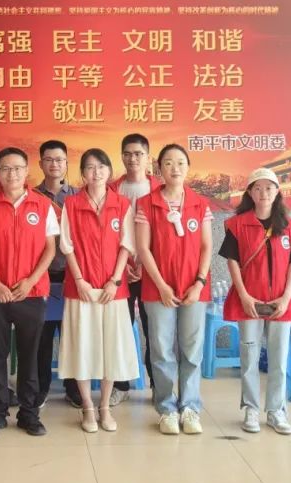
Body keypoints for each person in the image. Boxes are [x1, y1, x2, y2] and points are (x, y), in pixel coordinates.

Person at [0, 147, 57, 437]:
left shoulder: (42, 205)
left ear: (27, 170)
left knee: (31, 353)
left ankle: (29, 413)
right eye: (6, 168)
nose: (12, 174)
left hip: (32, 292)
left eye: (18, 168)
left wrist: (31, 281)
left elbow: (50, 249)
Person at [222, 167, 291, 436]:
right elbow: (232, 262)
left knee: (279, 358)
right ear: (249, 192)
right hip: (250, 301)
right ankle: (250, 408)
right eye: (257, 188)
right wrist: (244, 295)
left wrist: (286, 297)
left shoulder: (290, 227)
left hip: (282, 302)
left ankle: (275, 410)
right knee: (249, 357)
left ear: (277, 191)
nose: (263, 193)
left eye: (269, 188)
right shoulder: (237, 225)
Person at [58, 149, 139, 433]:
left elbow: (127, 244)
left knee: (110, 349)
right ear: (82, 174)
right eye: (90, 167)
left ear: (109, 171)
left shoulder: (122, 204)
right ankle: (87, 407)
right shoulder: (71, 204)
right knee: (81, 347)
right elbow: (66, 245)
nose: (96, 172)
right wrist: (79, 279)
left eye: (101, 167)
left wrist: (115, 280)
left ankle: (104, 406)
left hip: (111, 291)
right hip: (80, 289)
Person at [135, 144, 213, 436]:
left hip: (195, 288)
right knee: (162, 350)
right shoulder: (146, 204)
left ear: (188, 167)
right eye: (168, 163)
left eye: (180, 162)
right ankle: (167, 409)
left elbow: (206, 246)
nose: (175, 168)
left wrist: (199, 282)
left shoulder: (200, 204)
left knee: (192, 350)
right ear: (159, 169)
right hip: (158, 289)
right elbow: (143, 248)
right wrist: (162, 286)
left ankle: (190, 407)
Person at [108, 132, 161, 402]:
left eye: (138, 154)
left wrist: (146, 263)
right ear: (121, 157)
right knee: (120, 330)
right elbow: (107, 234)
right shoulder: (112, 189)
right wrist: (126, 264)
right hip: (120, 271)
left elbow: (164, 234)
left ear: (148, 157)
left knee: (155, 331)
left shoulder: (160, 189)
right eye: (127, 154)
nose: (132, 159)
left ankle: (158, 387)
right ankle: (121, 387)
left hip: (153, 272)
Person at [33, 139, 82, 409]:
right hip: (41, 276)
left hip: (72, 276)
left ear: (66, 164)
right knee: (41, 337)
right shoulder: (31, 197)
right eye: (49, 159)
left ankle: (73, 389)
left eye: (60, 160)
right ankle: (40, 388)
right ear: (40, 163)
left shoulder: (78, 197)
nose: (55, 164)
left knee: (72, 335)